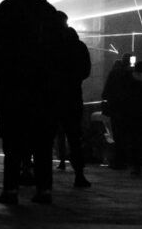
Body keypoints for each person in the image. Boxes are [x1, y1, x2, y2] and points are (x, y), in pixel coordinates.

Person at [0, 0, 67, 205]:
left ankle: (11, 189)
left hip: (14, 86)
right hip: (43, 87)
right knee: (42, 142)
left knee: (14, 142)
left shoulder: (7, 8)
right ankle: (44, 189)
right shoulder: (46, 9)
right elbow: (59, 48)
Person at [55, 18, 92, 187]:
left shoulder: (52, 45)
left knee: (45, 136)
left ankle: (42, 181)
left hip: (53, 95)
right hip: (73, 96)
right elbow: (86, 71)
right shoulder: (79, 46)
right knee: (75, 137)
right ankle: (79, 174)